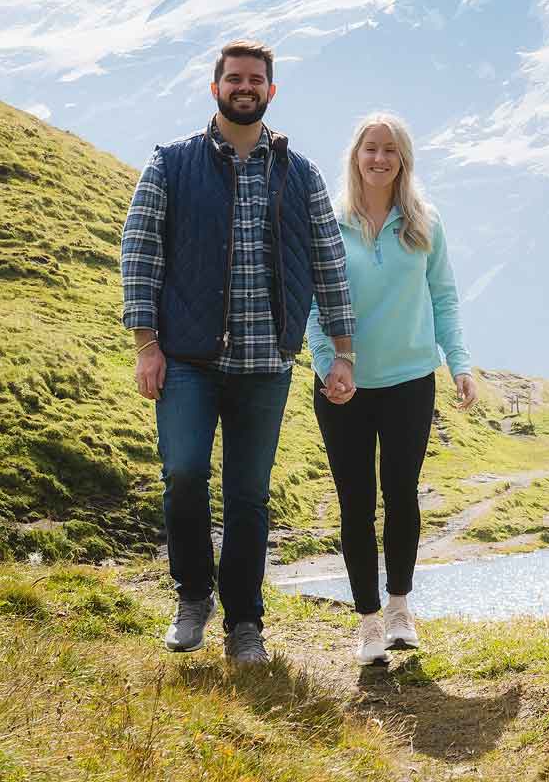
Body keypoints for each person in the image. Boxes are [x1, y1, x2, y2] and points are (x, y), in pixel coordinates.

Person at [120, 38, 356, 665]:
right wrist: (147, 345)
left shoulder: (299, 173)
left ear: (270, 91)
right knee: (184, 472)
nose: (244, 87)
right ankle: (193, 596)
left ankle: (245, 623)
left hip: (267, 365)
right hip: (188, 360)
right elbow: (139, 254)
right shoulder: (170, 164)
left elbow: (330, 264)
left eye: (256, 80)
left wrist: (343, 351)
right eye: (234, 79)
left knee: (249, 494)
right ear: (215, 86)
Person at [308, 111, 480, 666]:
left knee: (401, 495)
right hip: (345, 386)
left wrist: (460, 364)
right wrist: (329, 364)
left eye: (390, 150)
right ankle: (366, 624)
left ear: (403, 160)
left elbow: (445, 299)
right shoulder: (328, 224)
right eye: (370, 149)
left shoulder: (424, 223)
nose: (379, 159)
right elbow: (312, 307)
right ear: (354, 156)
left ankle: (400, 608)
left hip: (410, 382)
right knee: (355, 503)